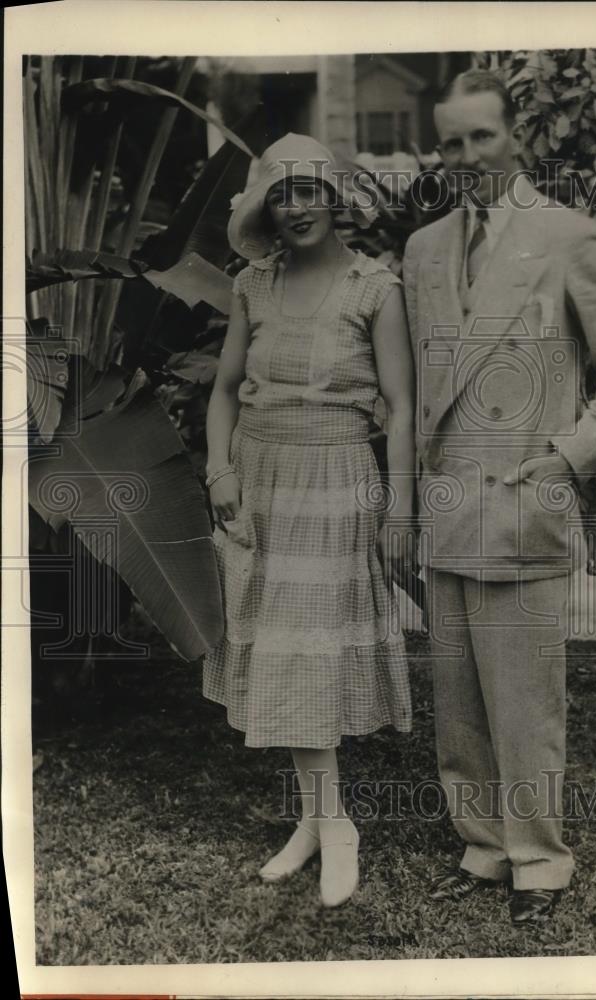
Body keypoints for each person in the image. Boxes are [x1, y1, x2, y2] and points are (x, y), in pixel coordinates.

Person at [402, 71, 596, 923]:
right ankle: (481, 845)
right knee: (460, 701)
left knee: (525, 700)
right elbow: (413, 390)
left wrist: (567, 456)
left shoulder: (566, 237)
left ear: (515, 139)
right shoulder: (425, 248)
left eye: (482, 137)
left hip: (524, 495)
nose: (467, 156)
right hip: (447, 505)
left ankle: (539, 859)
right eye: (451, 142)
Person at [203, 133, 416, 908]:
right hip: (259, 481)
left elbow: (401, 408)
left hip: (336, 483)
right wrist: (218, 469)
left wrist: (400, 506)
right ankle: (319, 821)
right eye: (281, 195)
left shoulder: (375, 289)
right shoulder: (251, 286)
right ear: (267, 208)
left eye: (309, 191)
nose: (296, 209)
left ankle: (334, 827)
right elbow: (225, 388)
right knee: (285, 652)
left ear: (336, 199)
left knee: (310, 652)